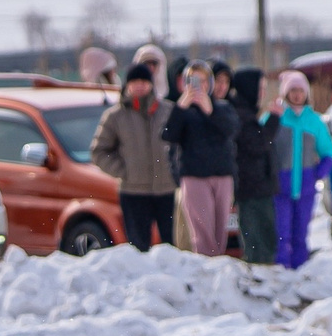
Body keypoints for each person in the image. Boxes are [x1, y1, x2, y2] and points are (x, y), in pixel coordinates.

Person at [91, 62, 177, 249]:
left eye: (144, 81)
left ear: (151, 84)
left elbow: (182, 146)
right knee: (138, 247)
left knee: (172, 246)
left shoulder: (168, 111)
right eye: (135, 81)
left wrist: (176, 171)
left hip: (167, 190)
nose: (140, 85)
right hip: (133, 192)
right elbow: (99, 151)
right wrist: (124, 171)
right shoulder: (115, 116)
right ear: (127, 85)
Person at [162, 61, 239, 258]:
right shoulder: (182, 110)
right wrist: (181, 107)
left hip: (222, 175)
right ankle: (207, 269)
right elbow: (168, 135)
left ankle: (218, 270)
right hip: (194, 176)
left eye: (203, 80)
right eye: (193, 80)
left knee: (219, 231)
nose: (199, 86)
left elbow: (231, 130)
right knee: (203, 233)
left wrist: (210, 110)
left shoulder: (222, 107)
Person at [273, 71, 332, 269]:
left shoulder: (314, 121)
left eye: (300, 90)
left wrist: (318, 173)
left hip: (306, 186)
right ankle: (281, 270)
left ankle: (300, 270)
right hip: (280, 186)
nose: (297, 95)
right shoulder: (277, 117)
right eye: (293, 90)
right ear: (286, 93)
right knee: (282, 233)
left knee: (301, 233)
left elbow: (329, 152)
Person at [233, 75, 283, 266]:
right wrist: (273, 119)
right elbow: (258, 144)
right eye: (260, 88)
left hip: (259, 185)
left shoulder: (247, 114)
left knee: (266, 234)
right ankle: (259, 276)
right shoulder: (242, 115)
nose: (262, 93)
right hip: (251, 187)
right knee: (258, 239)